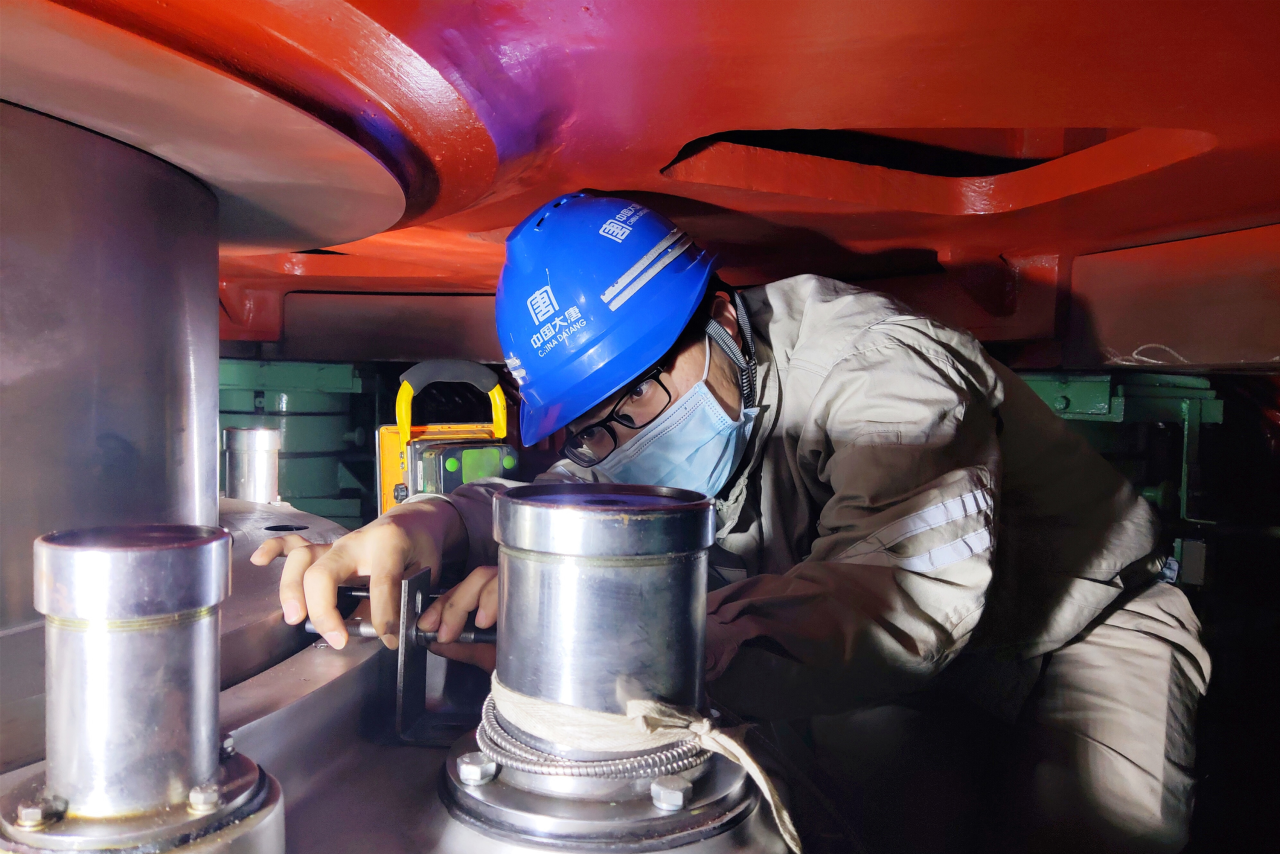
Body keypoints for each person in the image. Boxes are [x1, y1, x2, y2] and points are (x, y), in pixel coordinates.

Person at [258, 193, 1209, 853]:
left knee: (1094, 834)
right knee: (845, 821)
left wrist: (607, 634)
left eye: (639, 398)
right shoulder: (650, 411)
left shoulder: (881, 369)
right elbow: (573, 494)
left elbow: (899, 600)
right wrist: (431, 525)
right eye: (597, 424)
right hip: (875, 647)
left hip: (1082, 624)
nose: (628, 441)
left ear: (717, 317)